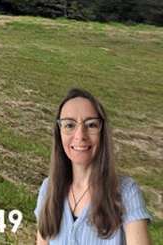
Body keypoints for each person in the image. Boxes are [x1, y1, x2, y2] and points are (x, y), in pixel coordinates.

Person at [36, 88, 152, 244]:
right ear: (59, 133)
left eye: (91, 125)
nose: (80, 136)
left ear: (102, 132)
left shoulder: (127, 192)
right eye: (69, 125)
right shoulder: (47, 189)